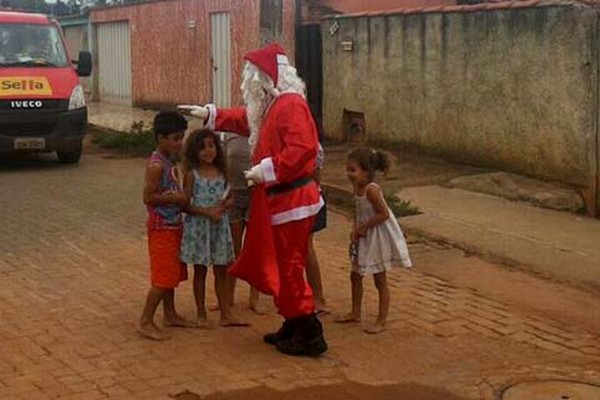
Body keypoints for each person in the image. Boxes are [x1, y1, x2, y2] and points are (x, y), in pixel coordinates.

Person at [179, 43, 327, 357]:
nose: (249, 83)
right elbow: (246, 120)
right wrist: (210, 114)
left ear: (268, 77)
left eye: (253, 77)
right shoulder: (273, 105)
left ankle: (309, 331)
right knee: (281, 263)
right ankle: (293, 319)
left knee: (289, 266)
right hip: (279, 200)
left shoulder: (290, 105)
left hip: (291, 200)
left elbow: (303, 150)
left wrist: (266, 171)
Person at [336, 148, 412, 334]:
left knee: (380, 279)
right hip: (364, 236)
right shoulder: (357, 188)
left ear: (366, 171)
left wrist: (364, 227)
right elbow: (358, 211)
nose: (349, 174)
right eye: (348, 170)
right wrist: (355, 229)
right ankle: (355, 312)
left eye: (353, 170)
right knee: (355, 275)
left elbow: (384, 214)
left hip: (377, 238)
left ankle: (381, 320)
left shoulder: (372, 190)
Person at [179, 129, 249, 328]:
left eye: (211, 146)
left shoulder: (222, 174)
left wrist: (226, 205)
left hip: (219, 229)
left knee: (222, 271)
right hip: (199, 229)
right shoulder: (191, 175)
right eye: (203, 148)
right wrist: (207, 212)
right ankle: (201, 314)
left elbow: (231, 197)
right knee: (200, 272)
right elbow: (185, 204)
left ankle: (226, 313)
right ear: (194, 151)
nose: (208, 151)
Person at [138, 111, 194, 341]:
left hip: (174, 225)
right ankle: (145, 321)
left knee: (172, 274)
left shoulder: (171, 161)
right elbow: (148, 197)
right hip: (161, 228)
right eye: (174, 138)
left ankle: (170, 314)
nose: (178, 142)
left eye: (181, 137)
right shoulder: (156, 166)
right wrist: (174, 199)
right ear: (160, 138)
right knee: (162, 278)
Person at [221, 132, 263, 315]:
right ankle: (228, 296)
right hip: (234, 195)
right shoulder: (228, 135)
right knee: (232, 249)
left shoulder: (262, 131)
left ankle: (254, 298)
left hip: (257, 194)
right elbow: (221, 165)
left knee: (254, 248)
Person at [306, 143, 328, 314]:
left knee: (306, 248)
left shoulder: (312, 144)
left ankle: (318, 297)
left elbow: (315, 176)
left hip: (308, 201)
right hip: (295, 199)